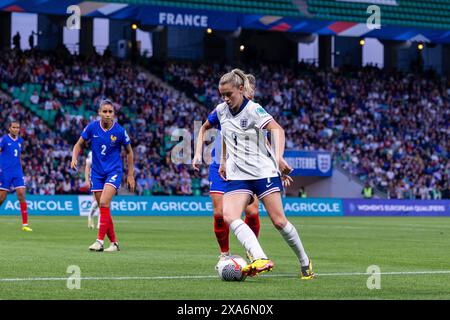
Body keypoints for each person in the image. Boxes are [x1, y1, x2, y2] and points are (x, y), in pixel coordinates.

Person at [216, 69, 314, 279]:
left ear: (241, 89)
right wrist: (224, 160)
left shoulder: (253, 110)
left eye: (229, 94)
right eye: (222, 95)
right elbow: (224, 135)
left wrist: (279, 158)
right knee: (229, 216)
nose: (225, 99)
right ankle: (259, 257)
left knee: (279, 221)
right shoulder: (221, 111)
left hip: (262, 172)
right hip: (239, 175)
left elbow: (277, 130)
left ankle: (305, 261)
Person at [193, 73, 265, 263]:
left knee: (252, 212)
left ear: (251, 90)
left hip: (247, 167)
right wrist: (197, 153)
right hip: (220, 164)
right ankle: (224, 254)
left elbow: (265, 142)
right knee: (219, 213)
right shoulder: (223, 109)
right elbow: (203, 128)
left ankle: (253, 252)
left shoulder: (255, 112)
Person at [71, 99, 135, 252]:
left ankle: (99, 242)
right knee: (103, 208)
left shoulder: (119, 131)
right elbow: (78, 144)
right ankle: (114, 243)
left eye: (110, 112)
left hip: (114, 171)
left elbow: (129, 152)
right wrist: (74, 157)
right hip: (97, 173)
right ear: (99, 113)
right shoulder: (92, 128)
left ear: (114, 114)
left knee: (104, 203)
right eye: (104, 111)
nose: (107, 114)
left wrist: (130, 174)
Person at [0, 121, 32, 232]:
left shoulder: (20, 141)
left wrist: (21, 170)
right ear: (9, 128)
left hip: (17, 172)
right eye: (14, 127)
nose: (16, 129)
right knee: (1, 198)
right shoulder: (4, 139)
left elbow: (18, 156)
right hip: (5, 172)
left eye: (18, 127)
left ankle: (25, 224)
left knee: (22, 193)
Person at [85, 151, 100, 229]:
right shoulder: (92, 152)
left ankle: (100, 223)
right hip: (95, 177)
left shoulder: (109, 149)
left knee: (104, 201)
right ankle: (90, 216)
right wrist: (87, 180)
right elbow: (87, 166)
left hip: (107, 177)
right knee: (98, 201)